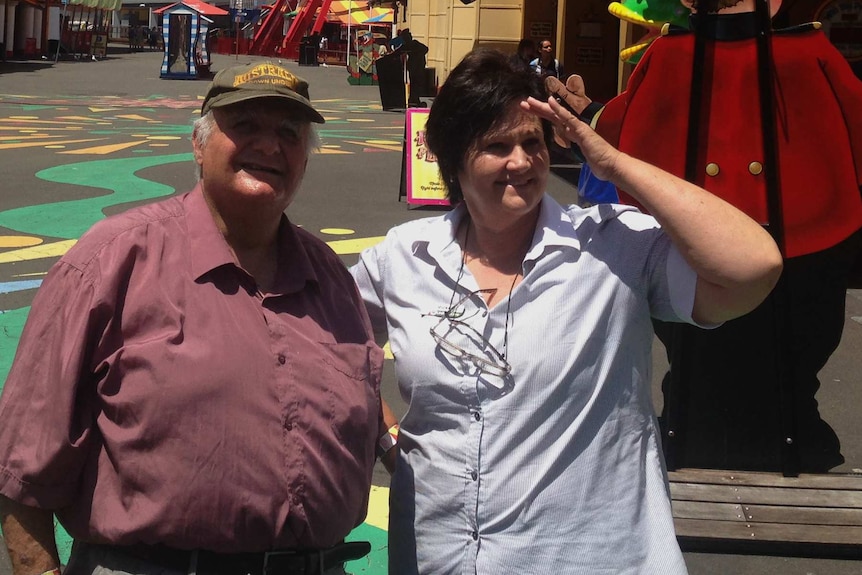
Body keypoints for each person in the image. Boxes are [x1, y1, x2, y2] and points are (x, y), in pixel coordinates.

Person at [350, 48, 782, 573]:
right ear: (453, 157)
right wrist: (387, 437)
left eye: (532, 143)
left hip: (590, 556)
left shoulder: (613, 244)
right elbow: (326, 352)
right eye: (496, 145)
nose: (521, 162)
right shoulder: (402, 256)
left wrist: (614, 161)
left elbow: (753, 265)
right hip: (438, 552)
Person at [0, 61, 387, 575]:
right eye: (245, 126)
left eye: (289, 134)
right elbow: (21, 465)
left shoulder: (330, 277)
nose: (270, 146)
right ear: (199, 145)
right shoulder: (113, 262)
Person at [547, 0, 862, 473]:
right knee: (790, 354)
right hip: (803, 236)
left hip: (702, 242)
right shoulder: (808, 50)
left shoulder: (674, 54)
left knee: (700, 348)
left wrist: (589, 116)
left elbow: (624, 126)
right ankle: (785, 432)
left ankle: (698, 428)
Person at [399, 29, 430, 107]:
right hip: (413, 68)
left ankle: (415, 99)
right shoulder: (407, 45)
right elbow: (399, 51)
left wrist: (416, 53)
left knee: (417, 83)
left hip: (418, 67)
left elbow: (425, 49)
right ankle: (413, 99)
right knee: (414, 83)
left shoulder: (415, 44)